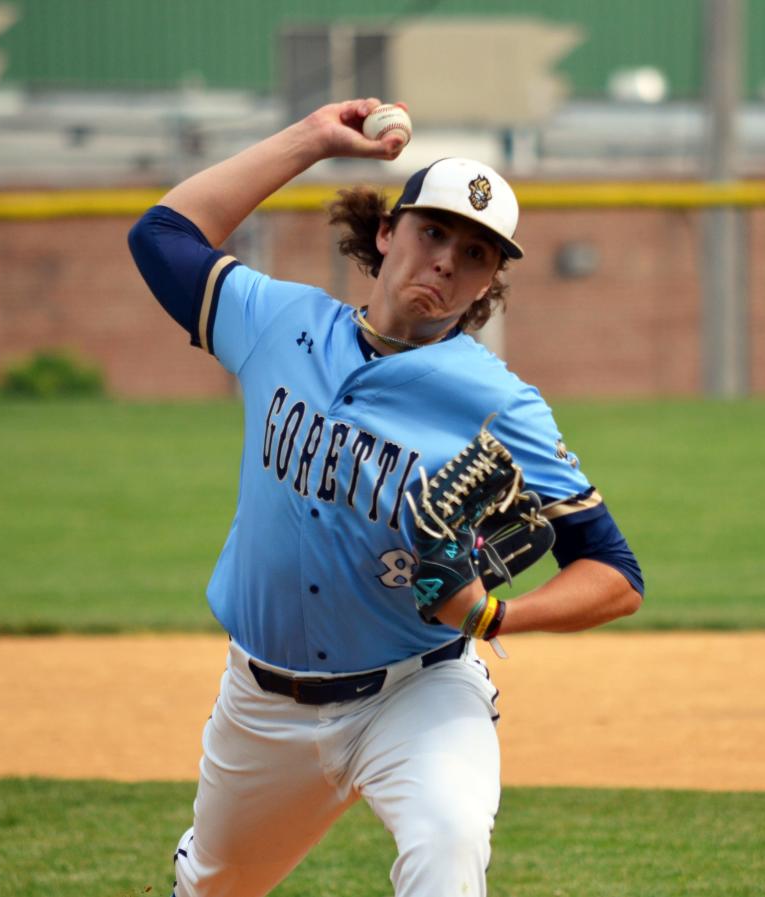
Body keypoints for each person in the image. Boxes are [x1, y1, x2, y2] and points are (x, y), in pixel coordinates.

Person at [128, 98, 643, 897]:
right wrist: (312, 140)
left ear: (487, 285)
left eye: (475, 253)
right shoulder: (278, 322)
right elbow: (160, 235)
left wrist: (493, 617)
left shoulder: (500, 404)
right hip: (262, 704)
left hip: (417, 688)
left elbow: (613, 572)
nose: (446, 261)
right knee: (217, 885)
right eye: (432, 232)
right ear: (385, 233)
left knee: (450, 843)